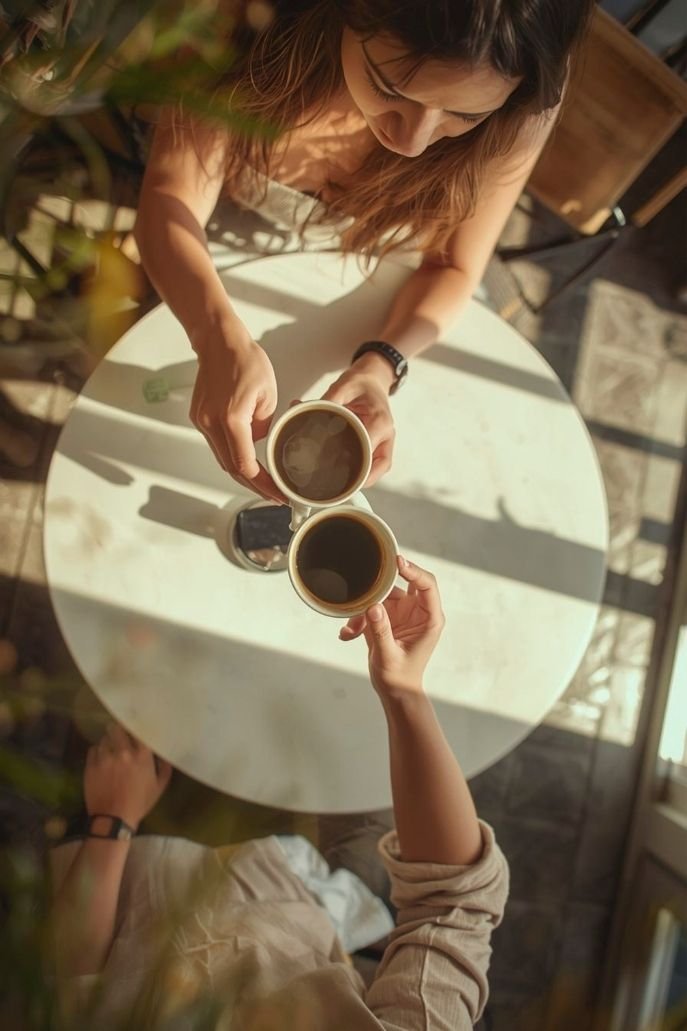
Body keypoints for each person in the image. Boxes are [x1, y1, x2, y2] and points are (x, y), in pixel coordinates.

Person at [133, 0, 594, 501]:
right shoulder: (245, 21)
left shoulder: (525, 97)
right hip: (216, 245)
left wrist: (381, 364)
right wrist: (213, 333)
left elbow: (454, 264)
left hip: (389, 287)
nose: (411, 143)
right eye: (387, 86)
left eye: (466, 114)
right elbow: (170, 197)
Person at [50, 557, 509, 1029]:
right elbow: (453, 900)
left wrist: (110, 821)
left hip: (124, 857)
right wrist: (403, 692)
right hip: (299, 888)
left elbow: (66, 986)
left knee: (122, 691)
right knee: (356, 746)